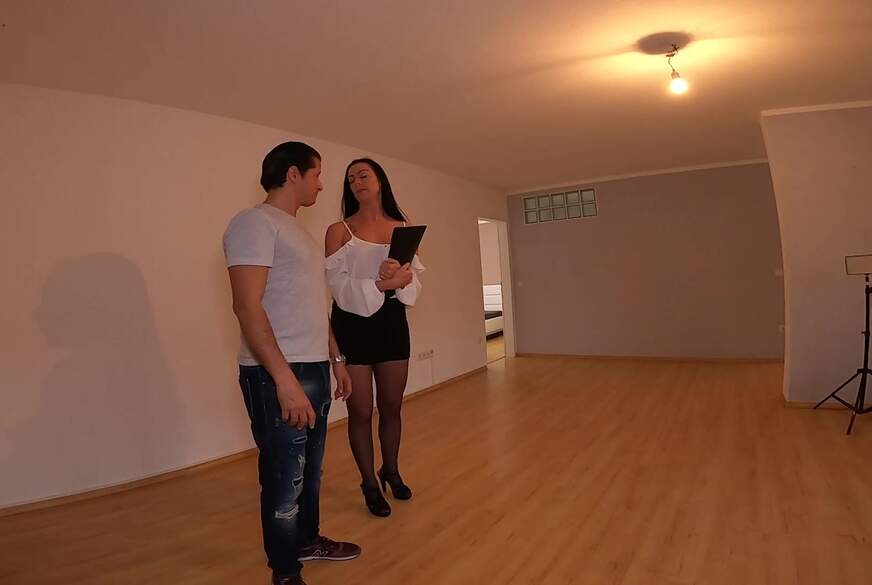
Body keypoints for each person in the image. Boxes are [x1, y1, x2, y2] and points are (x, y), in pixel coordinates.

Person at [223, 142, 361, 585]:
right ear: (293, 173)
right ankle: (285, 573)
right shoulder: (253, 223)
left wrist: (336, 358)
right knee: (285, 479)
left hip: (313, 366)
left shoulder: (297, 232)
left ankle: (306, 540)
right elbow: (247, 306)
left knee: (310, 473)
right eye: (317, 174)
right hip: (277, 373)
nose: (322, 184)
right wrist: (283, 379)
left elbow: (312, 305)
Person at [325, 158, 424, 517]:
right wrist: (382, 283)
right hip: (352, 326)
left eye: (363, 175)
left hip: (392, 324)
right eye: (351, 178)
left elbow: (412, 283)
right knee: (361, 411)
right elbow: (337, 288)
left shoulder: (402, 227)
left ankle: (391, 471)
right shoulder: (339, 231)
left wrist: (400, 279)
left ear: (380, 180)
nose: (357, 182)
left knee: (392, 407)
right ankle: (369, 483)